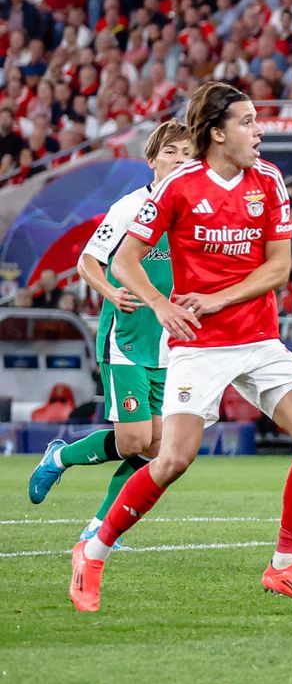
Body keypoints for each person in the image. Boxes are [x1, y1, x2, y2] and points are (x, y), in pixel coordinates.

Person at [69, 82, 292, 612]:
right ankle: (92, 552)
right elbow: (123, 262)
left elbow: (278, 268)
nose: (259, 131)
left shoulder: (270, 180)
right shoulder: (179, 187)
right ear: (217, 133)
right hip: (200, 346)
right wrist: (161, 305)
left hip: (258, 337)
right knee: (172, 459)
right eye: (247, 122)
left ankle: (284, 566)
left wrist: (215, 298)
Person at [28, 121, 191, 547]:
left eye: (188, 153)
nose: (181, 160)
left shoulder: (195, 213)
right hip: (129, 340)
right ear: (152, 159)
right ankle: (60, 456)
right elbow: (88, 262)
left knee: (155, 448)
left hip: (172, 347)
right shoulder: (130, 207)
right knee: (134, 439)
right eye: (172, 152)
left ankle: (100, 525)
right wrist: (112, 293)